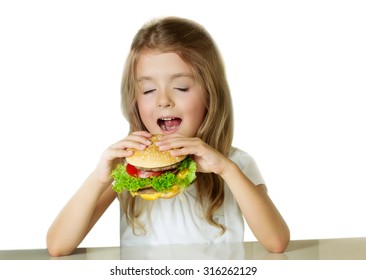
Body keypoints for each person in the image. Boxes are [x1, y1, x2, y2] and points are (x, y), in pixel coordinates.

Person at [46, 16, 290, 257]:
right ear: (135, 100)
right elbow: (59, 245)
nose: (163, 100)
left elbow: (276, 242)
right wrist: (99, 177)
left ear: (210, 94)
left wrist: (226, 169)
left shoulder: (234, 162)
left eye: (181, 87)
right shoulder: (130, 164)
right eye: (149, 90)